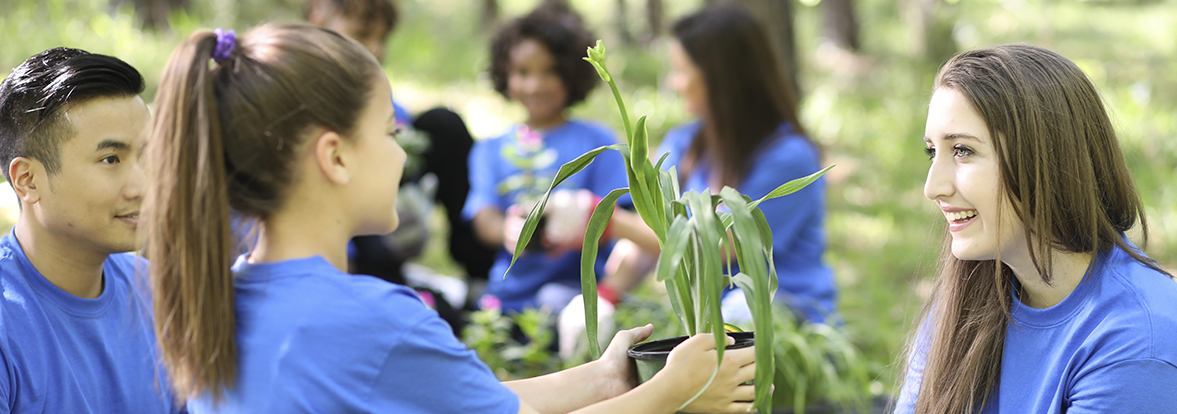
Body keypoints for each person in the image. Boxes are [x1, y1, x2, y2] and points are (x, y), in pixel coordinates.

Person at [142, 24, 757, 413]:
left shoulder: (226, 295)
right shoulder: (374, 321)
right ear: (334, 156)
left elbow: (473, 402)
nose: (401, 153)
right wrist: (670, 394)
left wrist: (605, 378)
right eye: (390, 133)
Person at [893, 44, 1177, 413]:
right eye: (932, 152)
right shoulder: (971, 291)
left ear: (1045, 161)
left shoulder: (1140, 345)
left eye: (962, 150)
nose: (933, 187)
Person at [613, 4, 838, 325]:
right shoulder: (684, 141)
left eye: (681, 70)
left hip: (785, 320)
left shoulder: (790, 157)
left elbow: (717, 246)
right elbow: (652, 232)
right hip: (704, 321)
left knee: (739, 311)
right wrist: (605, 297)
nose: (675, 83)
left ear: (721, 76)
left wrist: (607, 219)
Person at [0, 47, 178, 412]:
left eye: (146, 155)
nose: (143, 186)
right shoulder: (8, 323)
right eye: (111, 159)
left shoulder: (155, 294)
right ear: (28, 180)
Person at [305, 0, 493, 333]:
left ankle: (479, 280)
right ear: (318, 20)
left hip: (381, 231)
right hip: (338, 259)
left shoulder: (380, 100)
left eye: (382, 39)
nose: (375, 50)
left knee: (443, 124)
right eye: (362, 35)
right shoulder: (300, 106)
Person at [467, 3, 656, 319]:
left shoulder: (600, 144)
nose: (534, 85)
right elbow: (483, 216)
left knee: (556, 304)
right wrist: (508, 230)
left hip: (577, 293)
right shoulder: (489, 149)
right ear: (504, 73)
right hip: (506, 296)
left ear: (571, 73)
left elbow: (630, 226)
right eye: (522, 72)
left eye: (550, 71)